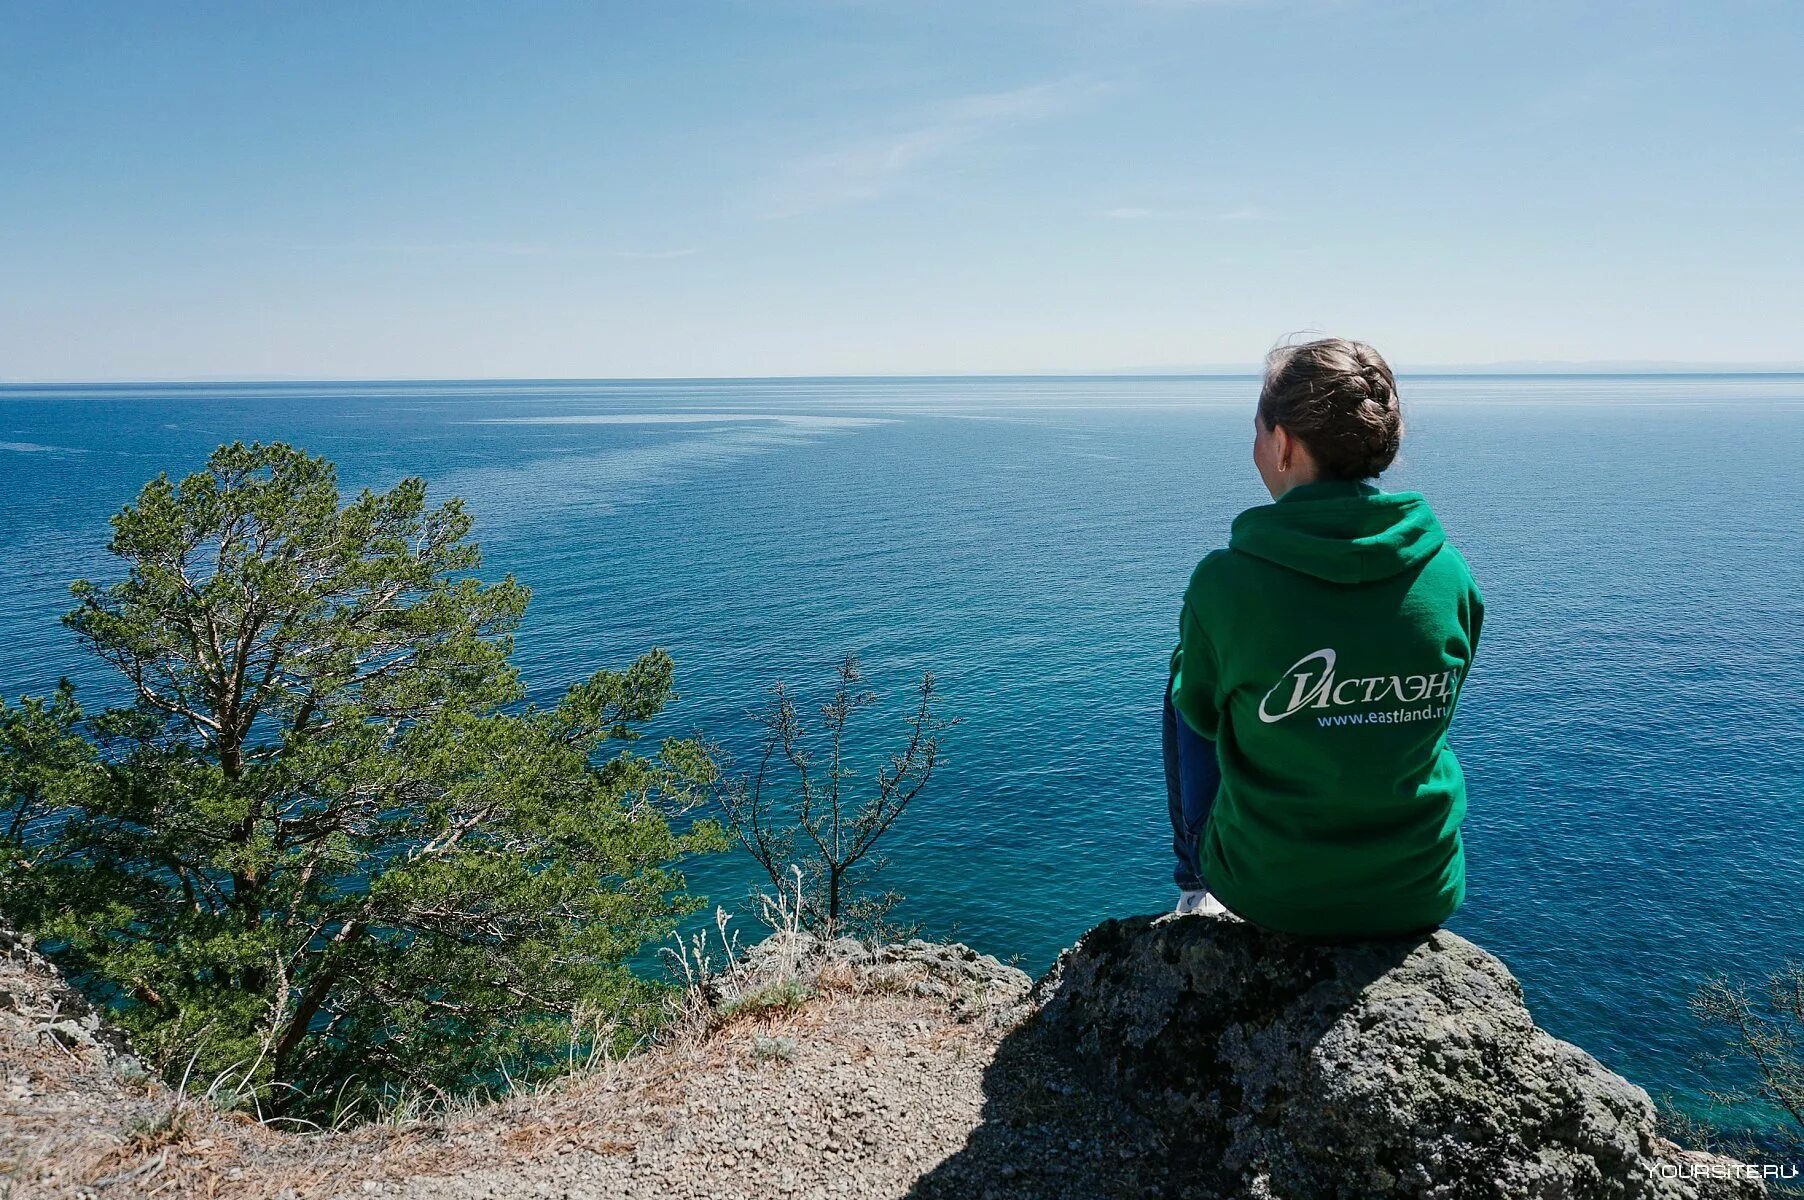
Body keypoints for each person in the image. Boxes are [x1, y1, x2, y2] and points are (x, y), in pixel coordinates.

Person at [1163, 337, 1484, 939]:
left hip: (1267, 888)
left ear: (1283, 443)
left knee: (1187, 679)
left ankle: (1196, 890)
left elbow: (1201, 712)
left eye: (1258, 431)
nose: (1254, 448)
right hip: (1419, 887)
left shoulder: (1227, 582)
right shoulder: (1448, 574)